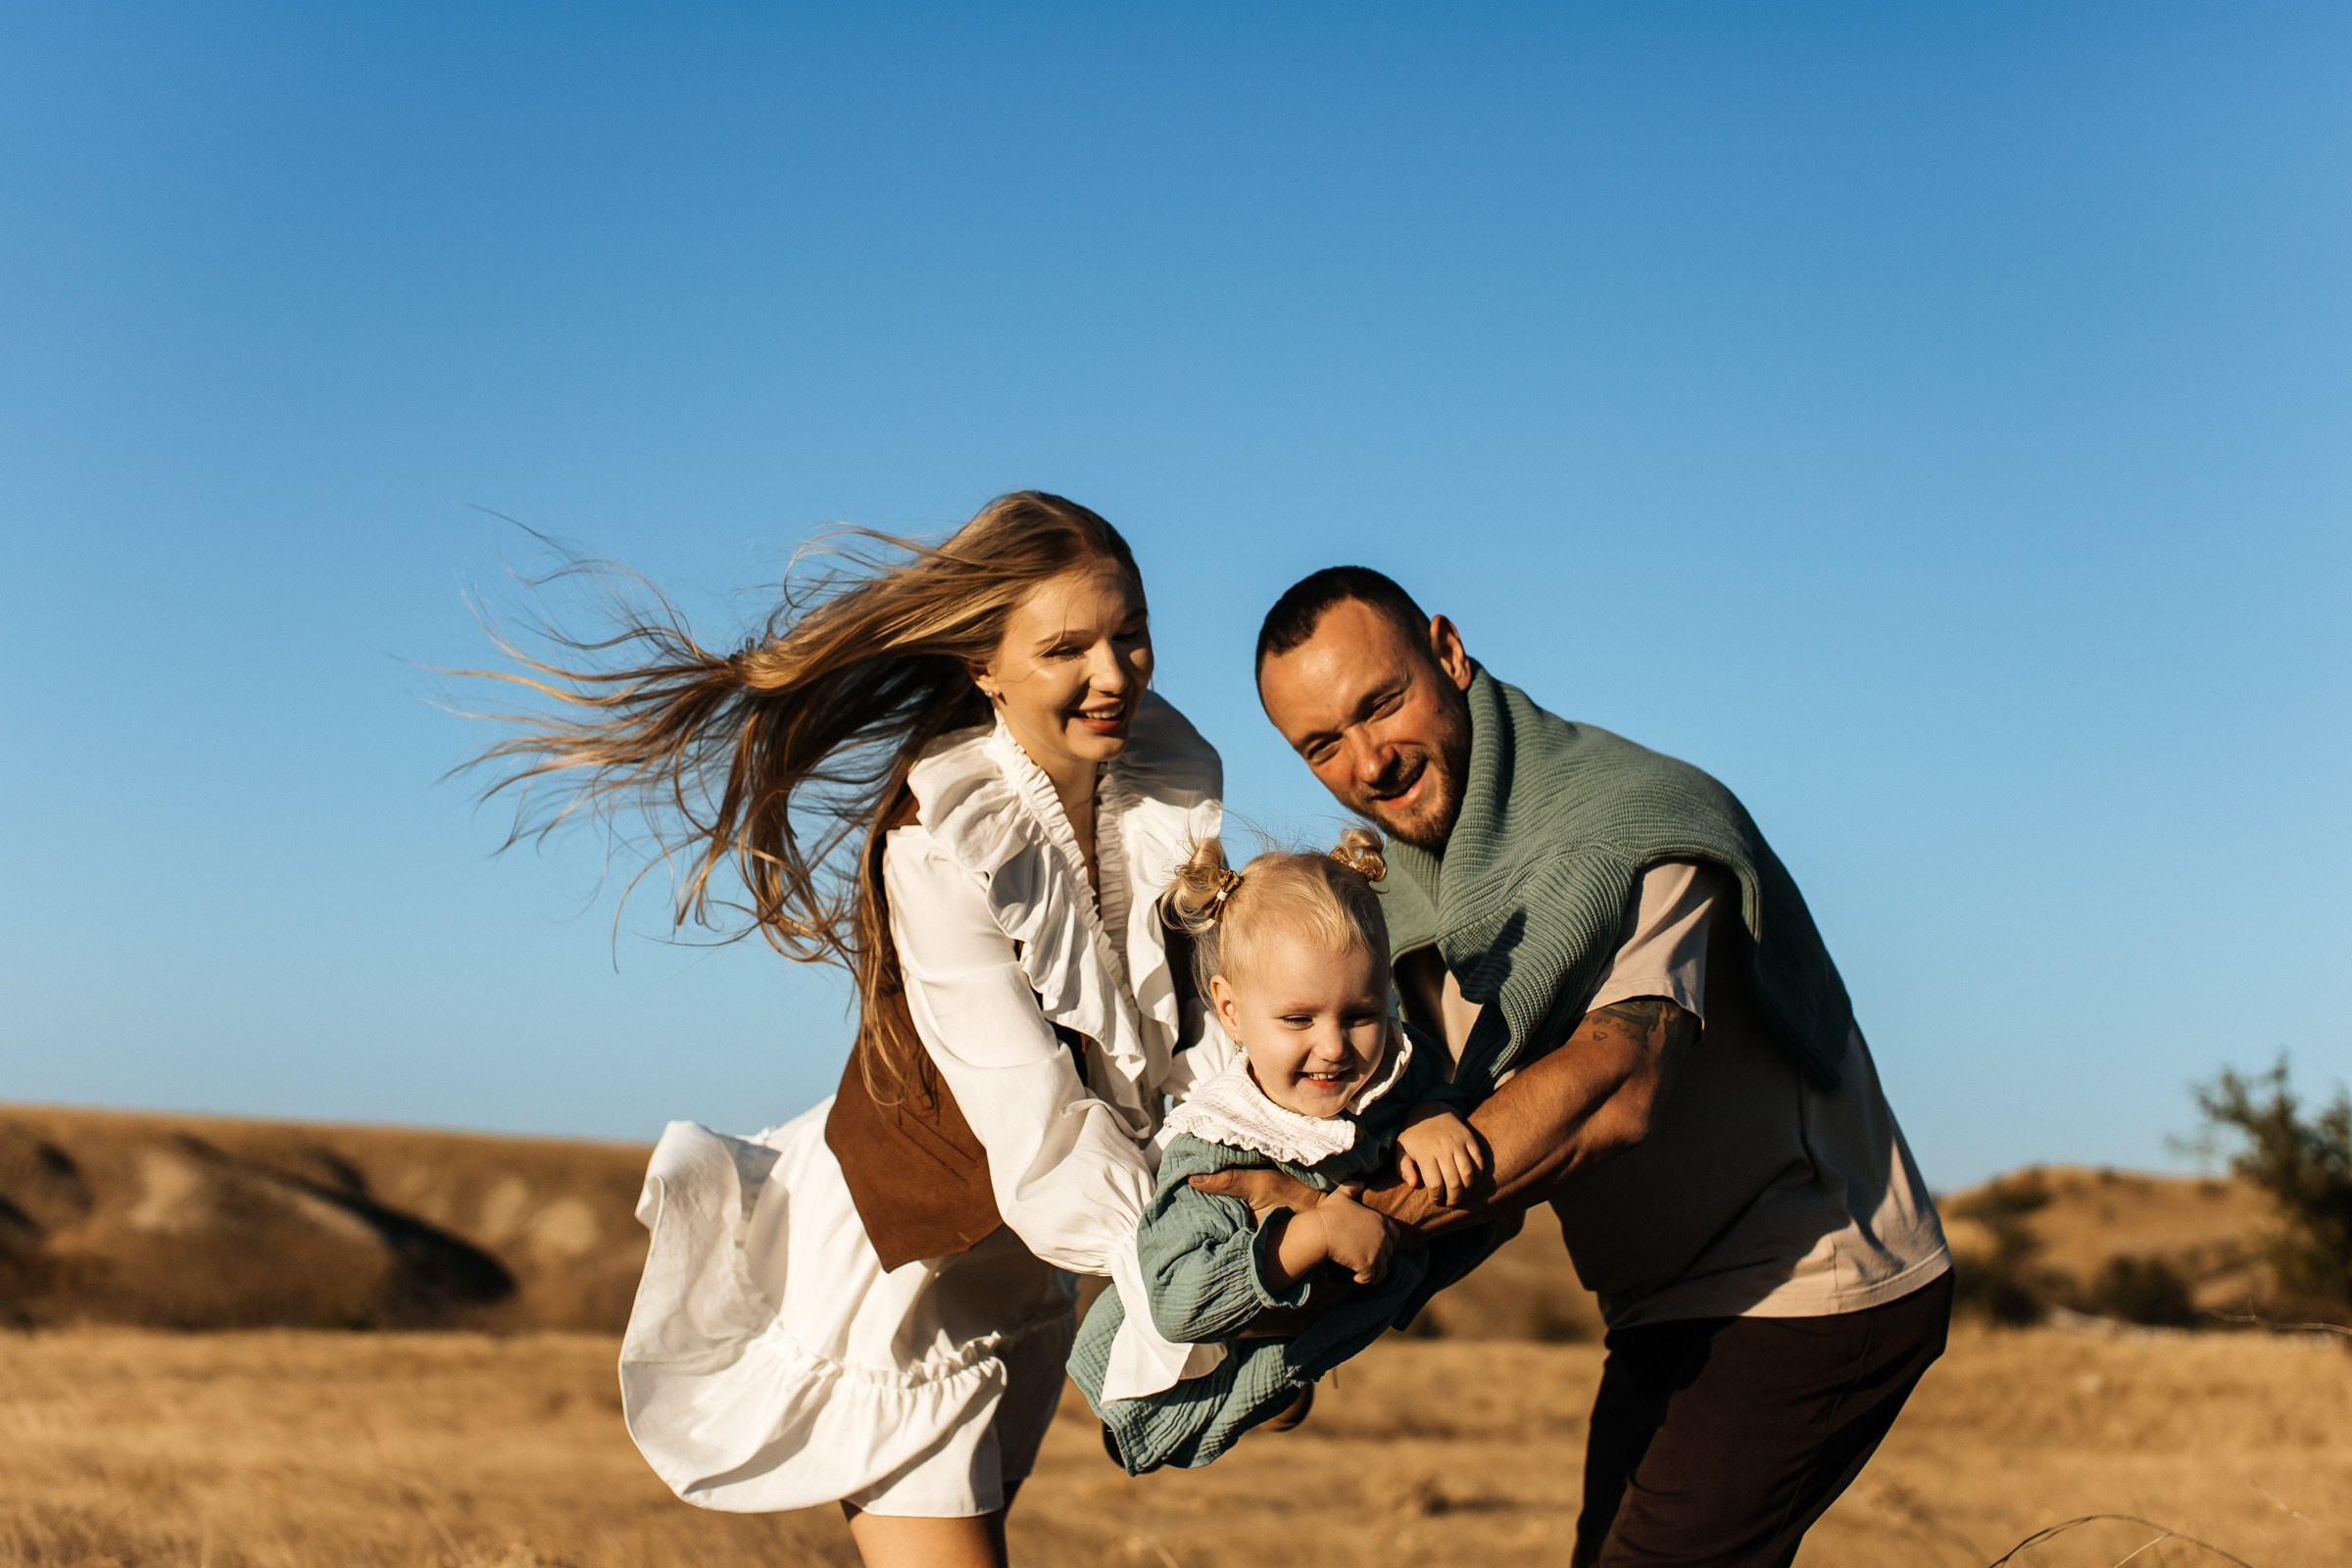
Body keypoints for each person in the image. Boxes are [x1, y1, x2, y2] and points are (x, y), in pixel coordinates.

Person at [468, 493, 1232, 1568]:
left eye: (1130, 631)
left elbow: (1187, 1055)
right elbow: (1041, 1128)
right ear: (985, 664)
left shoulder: (1159, 790)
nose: (1114, 673)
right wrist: (1199, 1281)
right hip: (898, 1290)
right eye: (1066, 647)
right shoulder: (938, 844)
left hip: (1017, 1284)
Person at [1213, 565, 1953, 1568]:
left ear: (1447, 649)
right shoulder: (1407, 907)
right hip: (1666, 1303)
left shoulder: (1633, 826)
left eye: (1381, 703)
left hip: (1814, 1278)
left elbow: (1618, 1084)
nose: (1370, 760)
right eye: (1323, 745)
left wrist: (1323, 1249)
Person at [1067, 829, 1495, 1474]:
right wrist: (1312, 1236)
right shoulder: (1218, 1149)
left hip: (1320, 1328)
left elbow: (1424, 1069)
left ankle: (1278, 1384)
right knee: (1188, 1414)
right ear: (1231, 1012)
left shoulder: (1393, 1068)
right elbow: (1177, 1304)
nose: (1334, 1047)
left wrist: (1435, 1109)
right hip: (1187, 1375)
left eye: (1361, 1014)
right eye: (1299, 1020)